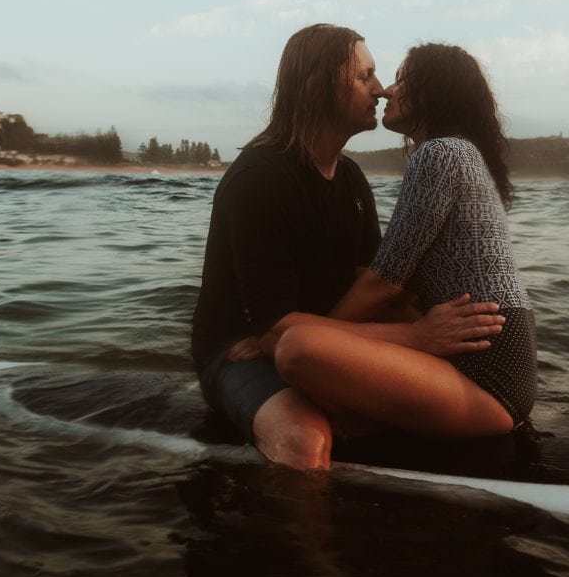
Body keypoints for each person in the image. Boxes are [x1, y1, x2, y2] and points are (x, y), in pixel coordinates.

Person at [192, 25, 505, 470]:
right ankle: (305, 542)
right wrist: (417, 338)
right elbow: (276, 331)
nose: (379, 91)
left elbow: (374, 285)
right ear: (318, 85)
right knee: (305, 440)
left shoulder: (352, 179)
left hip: (318, 342)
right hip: (239, 351)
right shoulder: (260, 179)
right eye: (365, 77)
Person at [264, 42, 537, 448]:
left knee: (297, 349)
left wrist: (304, 334)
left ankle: (371, 416)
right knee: (345, 321)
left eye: (401, 80)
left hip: (486, 381)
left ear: (432, 91)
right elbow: (392, 283)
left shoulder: (440, 153)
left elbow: (383, 282)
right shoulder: (459, 152)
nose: (387, 91)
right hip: (486, 364)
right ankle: (377, 418)